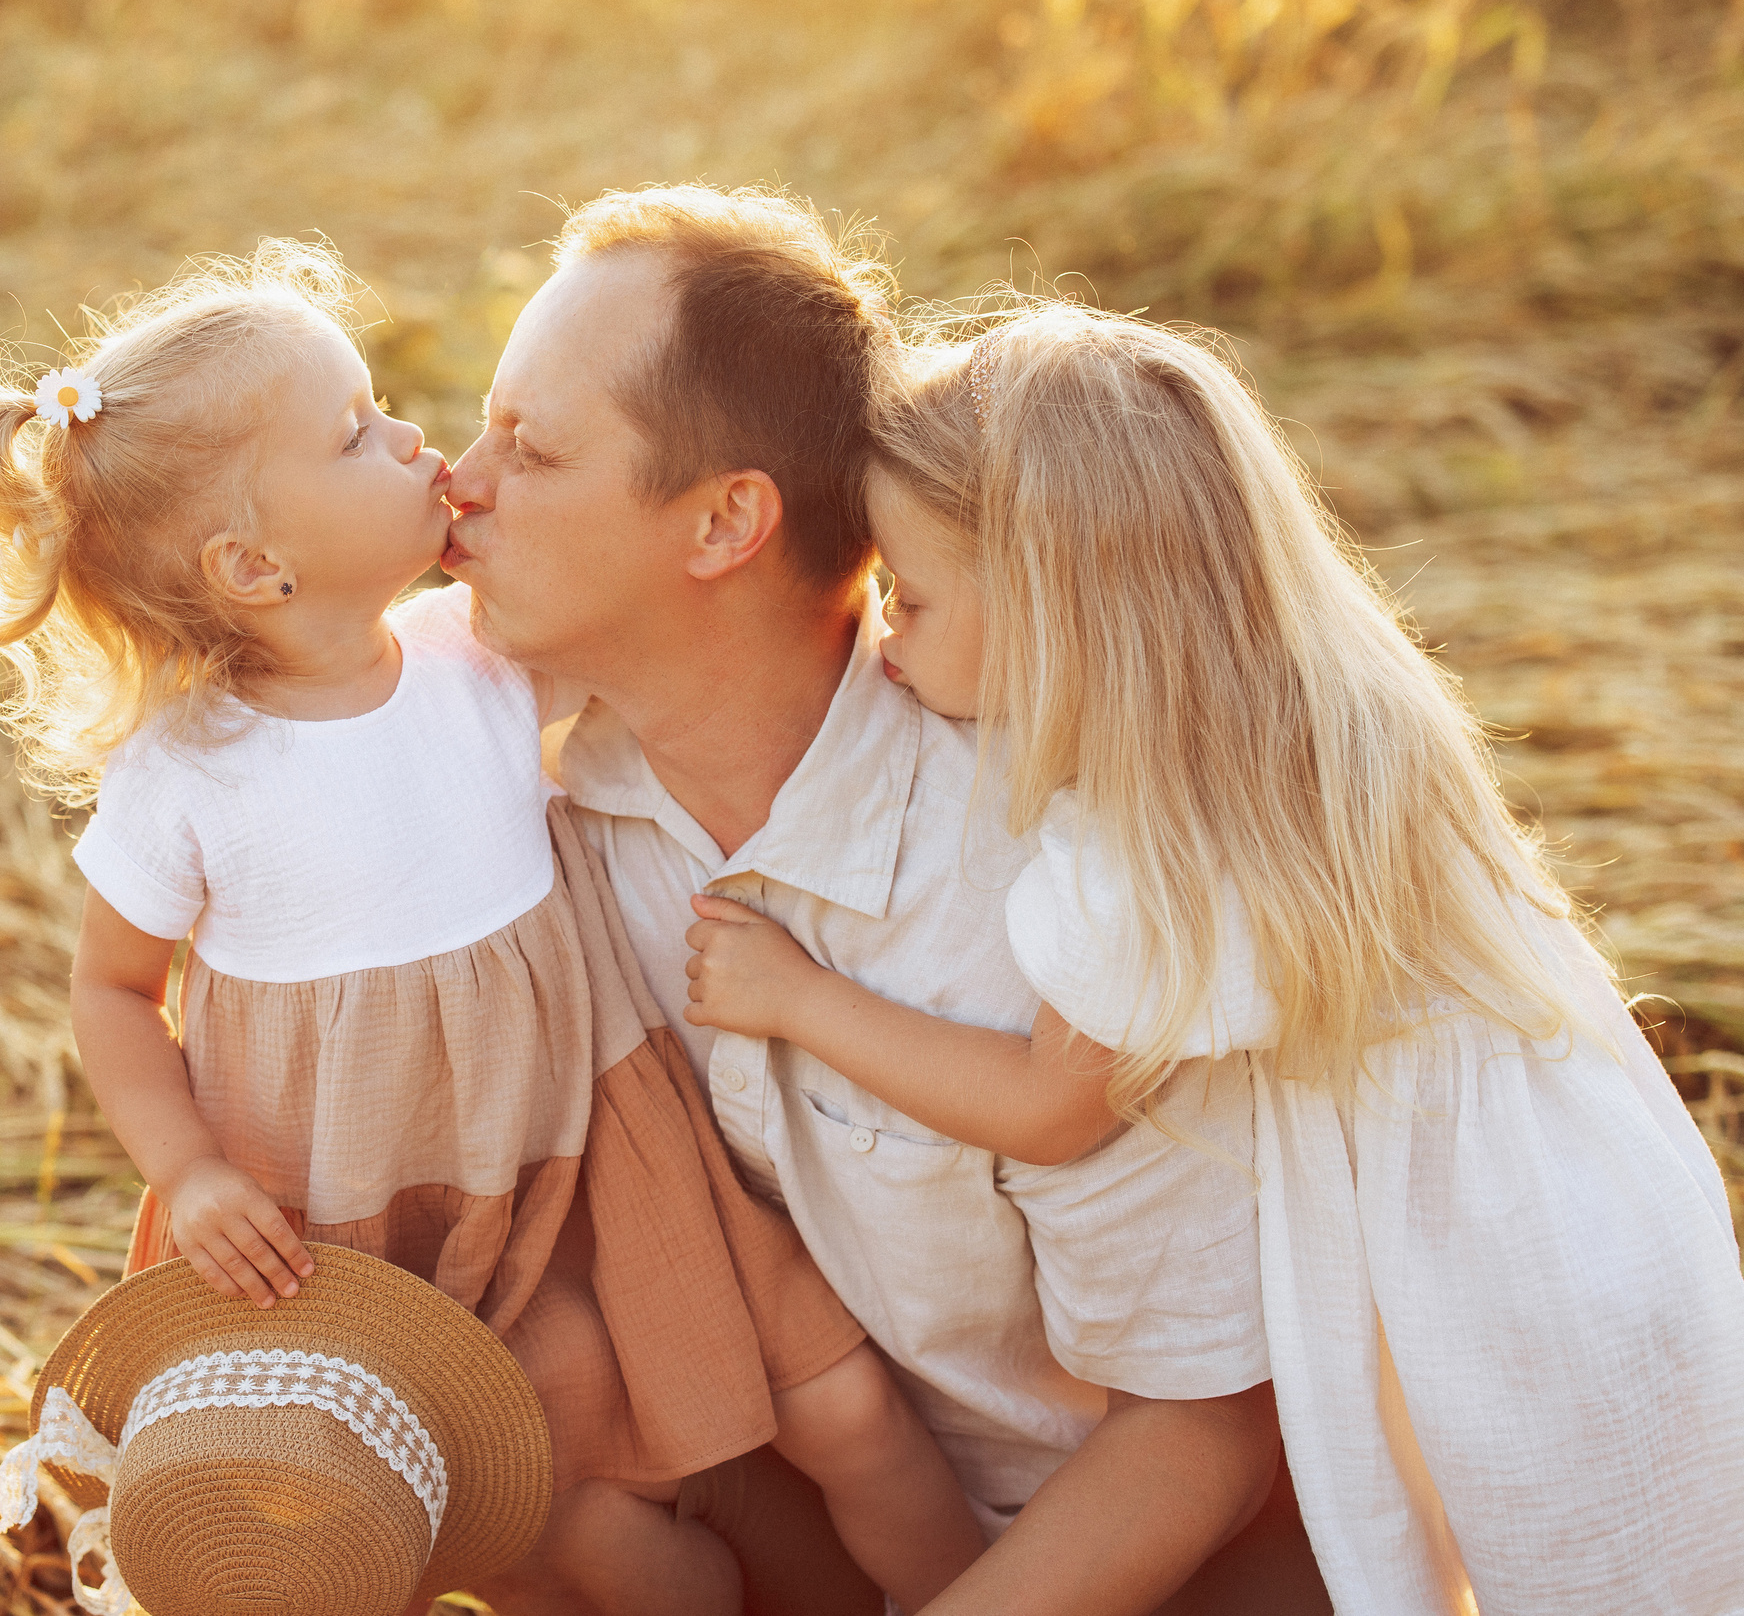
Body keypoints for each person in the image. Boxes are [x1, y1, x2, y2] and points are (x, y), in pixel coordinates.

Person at [0, 241, 985, 1614]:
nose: (419, 443)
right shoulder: (186, 774)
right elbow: (112, 993)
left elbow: (693, 635)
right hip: (353, 1209)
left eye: (381, 407)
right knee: (505, 1512)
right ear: (253, 565)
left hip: (588, 1147)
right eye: (356, 433)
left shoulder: (474, 658)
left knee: (832, 1408)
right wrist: (185, 1171)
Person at [686, 300, 1744, 1612]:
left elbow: (1049, 1109)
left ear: (1054, 612)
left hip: (1482, 1288)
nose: (884, 631)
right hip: (1595, 1204)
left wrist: (799, 999)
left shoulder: (1143, 850)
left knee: (1561, 1565)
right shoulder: (1333, 715)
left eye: (911, 596)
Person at [443, 187, 1328, 1616]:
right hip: (828, 1484)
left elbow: (1201, 1430)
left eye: (529, 449)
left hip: (1152, 1541)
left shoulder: (1055, 876)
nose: (458, 483)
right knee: (492, 1458)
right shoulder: (533, 804)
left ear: (725, 521)